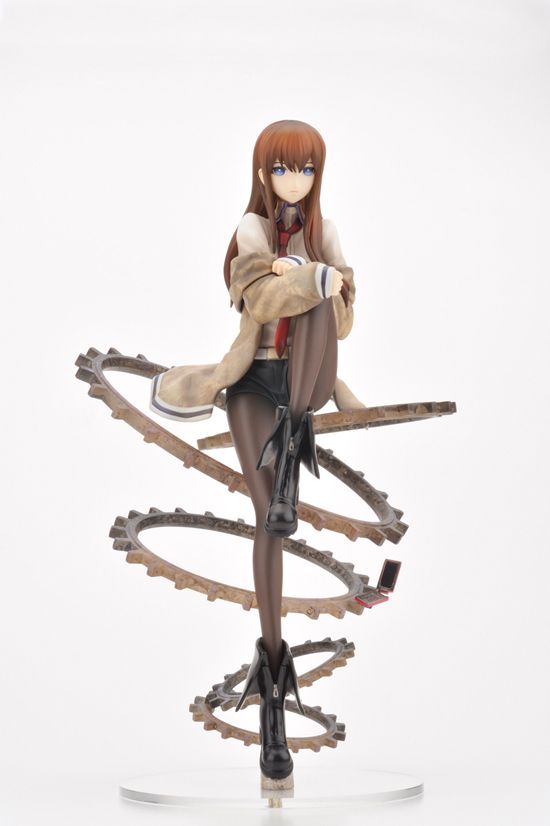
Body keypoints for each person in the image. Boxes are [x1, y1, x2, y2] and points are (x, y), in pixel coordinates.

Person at [150, 119, 365, 784]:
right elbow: (260, 299)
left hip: (306, 382)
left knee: (321, 300)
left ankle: (295, 437)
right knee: (268, 520)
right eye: (281, 168)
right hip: (253, 380)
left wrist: (320, 278)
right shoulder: (250, 230)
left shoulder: (326, 233)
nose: (293, 181)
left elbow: (343, 321)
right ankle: (273, 688)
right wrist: (305, 277)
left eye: (305, 169)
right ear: (263, 173)